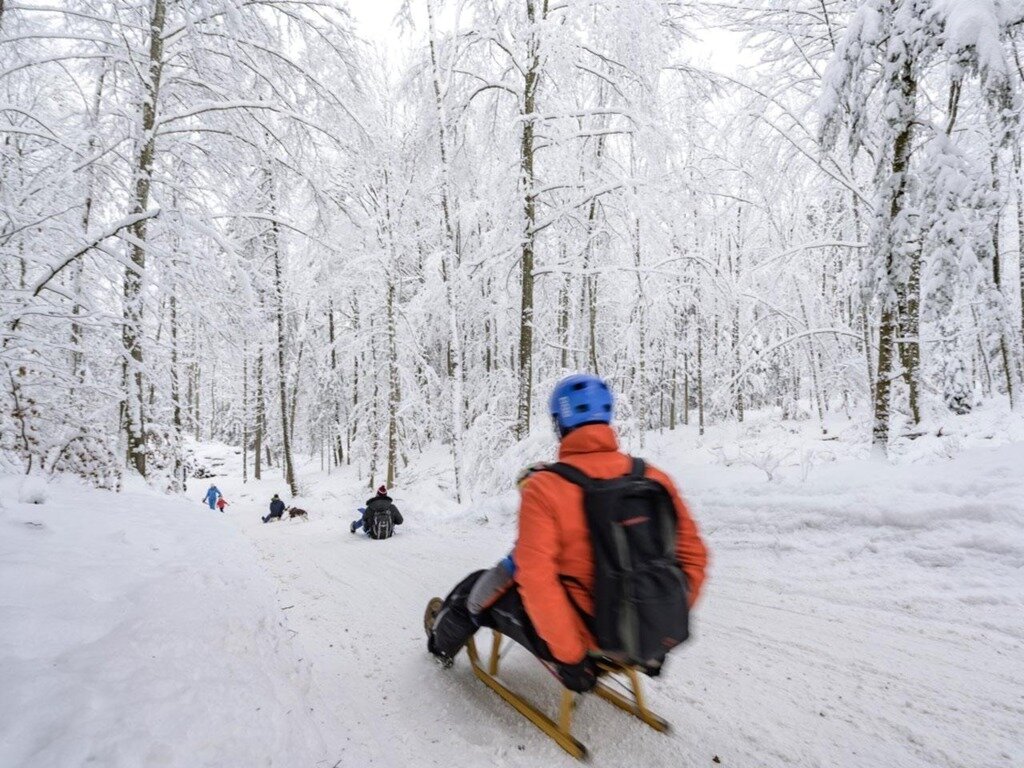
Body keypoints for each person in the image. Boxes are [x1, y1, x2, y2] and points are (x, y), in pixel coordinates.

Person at [424, 374, 708, 692]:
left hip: (587, 641)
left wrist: (571, 658)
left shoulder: (546, 487)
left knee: (473, 588)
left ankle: (438, 648)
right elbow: (694, 557)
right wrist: (659, 622)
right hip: (650, 634)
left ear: (560, 423)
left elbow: (535, 577)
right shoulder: (655, 479)